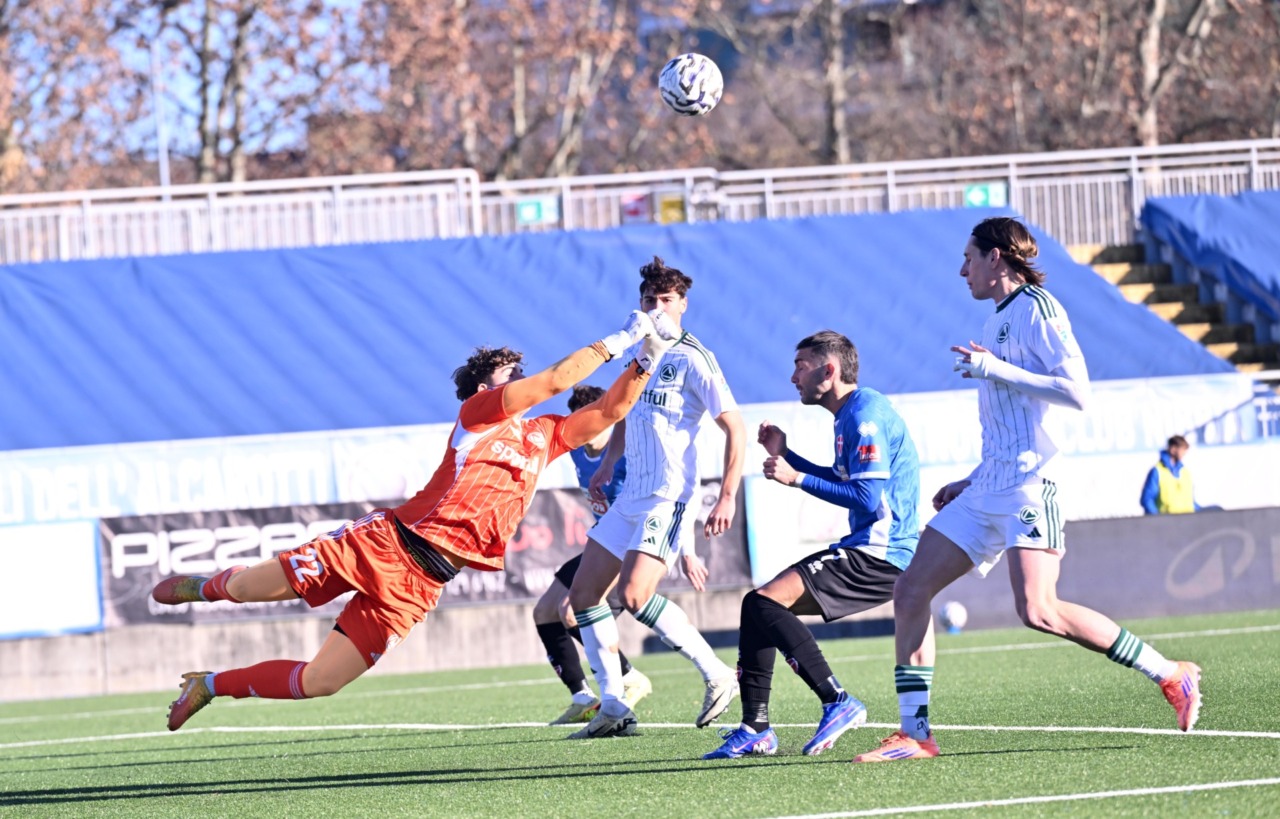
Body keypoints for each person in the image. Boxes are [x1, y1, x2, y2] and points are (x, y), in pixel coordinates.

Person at [153, 309, 681, 731]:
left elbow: (610, 413)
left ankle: (210, 685)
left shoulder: (542, 434)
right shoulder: (478, 415)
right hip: (385, 544)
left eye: (517, 372)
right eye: (507, 374)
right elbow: (552, 380)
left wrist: (645, 360)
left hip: (424, 581)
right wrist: (620, 339)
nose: (518, 377)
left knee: (322, 682)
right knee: (248, 590)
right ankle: (208, 586)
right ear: (485, 389)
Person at [853, 217, 1203, 763]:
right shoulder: (997, 320)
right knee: (910, 590)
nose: (961, 268)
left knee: (1039, 610)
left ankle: (1170, 673)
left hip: (1028, 486)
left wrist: (994, 368)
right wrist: (971, 478)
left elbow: (1077, 391)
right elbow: (1015, 417)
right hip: (989, 483)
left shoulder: (1040, 308)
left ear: (998, 258)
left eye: (969, 256)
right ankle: (915, 734)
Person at [703, 330, 931, 760]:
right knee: (758, 608)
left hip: (878, 553)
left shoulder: (864, 416)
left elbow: (866, 497)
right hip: (873, 550)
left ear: (829, 370)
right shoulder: (849, 415)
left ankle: (836, 700)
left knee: (764, 603)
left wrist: (796, 477)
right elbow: (847, 480)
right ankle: (755, 727)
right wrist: (791, 458)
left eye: (801, 367)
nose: (793, 377)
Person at [565, 256, 747, 739]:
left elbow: (735, 426)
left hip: (668, 497)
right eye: (650, 300)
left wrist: (727, 495)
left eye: (667, 300)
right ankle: (613, 703)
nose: (658, 308)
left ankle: (718, 675)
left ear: (683, 304)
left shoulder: (695, 358)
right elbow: (626, 410)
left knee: (634, 594)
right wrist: (606, 464)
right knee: (582, 596)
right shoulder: (642, 352)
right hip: (631, 496)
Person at [533, 385, 652, 725]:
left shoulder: (629, 452)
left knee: (571, 612)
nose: (583, 428)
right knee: (544, 612)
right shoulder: (575, 451)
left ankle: (629, 679)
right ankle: (582, 697)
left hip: (627, 546)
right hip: (601, 542)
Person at [1140, 435, 1199, 515]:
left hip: (1189, 521)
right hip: (1168, 524)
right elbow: (1147, 500)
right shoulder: (1157, 471)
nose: (1184, 453)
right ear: (1173, 449)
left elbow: (1190, 502)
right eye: (1182, 449)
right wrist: (1158, 520)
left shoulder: (1185, 472)